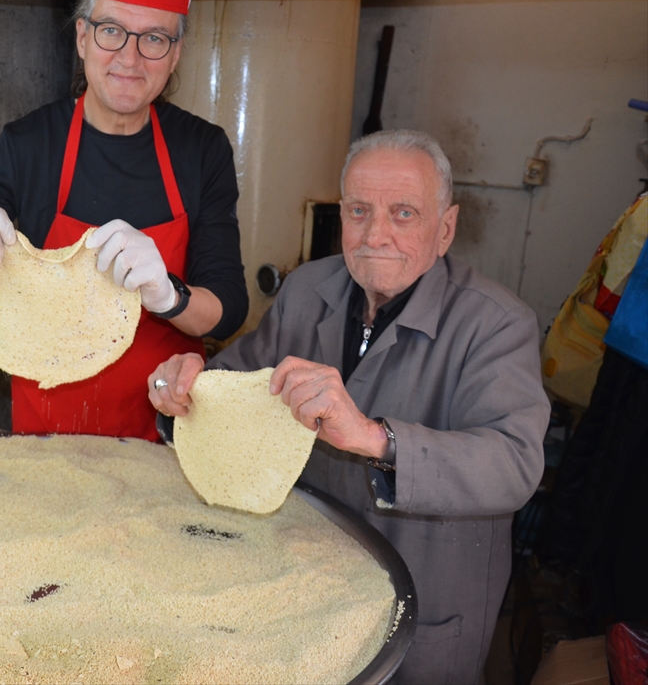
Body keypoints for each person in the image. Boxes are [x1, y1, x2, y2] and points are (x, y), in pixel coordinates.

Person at [149, 129, 550, 684]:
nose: (376, 235)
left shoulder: (496, 324)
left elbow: (515, 465)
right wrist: (186, 392)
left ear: (446, 228)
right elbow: (238, 383)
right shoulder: (308, 288)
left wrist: (373, 437)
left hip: (427, 599)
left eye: (404, 213)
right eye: (360, 211)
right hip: (305, 580)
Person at [0, 0, 248, 441]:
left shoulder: (202, 149)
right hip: (50, 434)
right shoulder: (29, 144)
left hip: (164, 429)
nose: (130, 58)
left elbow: (226, 311)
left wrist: (166, 294)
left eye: (154, 38)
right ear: (83, 38)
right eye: (112, 31)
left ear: (175, 55)